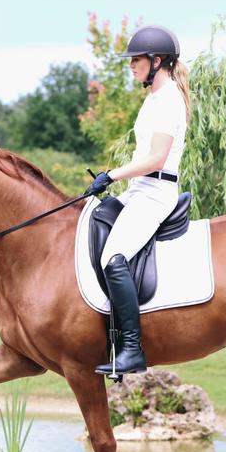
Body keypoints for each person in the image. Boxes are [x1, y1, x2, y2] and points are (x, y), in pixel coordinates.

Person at [84, 24, 192, 376]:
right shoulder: (154, 99)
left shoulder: (170, 100)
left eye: (136, 60)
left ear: (157, 61)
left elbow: (157, 158)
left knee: (113, 258)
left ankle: (131, 349)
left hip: (156, 193)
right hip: (140, 191)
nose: (131, 66)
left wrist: (112, 175)